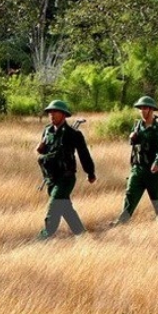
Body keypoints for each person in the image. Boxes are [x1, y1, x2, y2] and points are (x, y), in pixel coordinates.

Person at [36, 100, 96, 239]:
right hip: (51, 178)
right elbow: (42, 153)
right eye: (50, 112)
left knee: (54, 206)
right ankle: (82, 235)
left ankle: (44, 237)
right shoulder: (47, 131)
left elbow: (84, 154)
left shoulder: (73, 134)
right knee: (65, 208)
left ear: (63, 114)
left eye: (55, 112)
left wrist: (90, 172)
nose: (51, 114)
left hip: (66, 178)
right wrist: (40, 148)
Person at [109, 96, 158, 226]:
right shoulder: (136, 126)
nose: (142, 110)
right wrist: (132, 138)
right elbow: (134, 143)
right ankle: (122, 221)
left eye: (145, 108)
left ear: (151, 110)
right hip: (138, 168)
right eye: (140, 108)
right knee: (130, 194)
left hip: (153, 170)